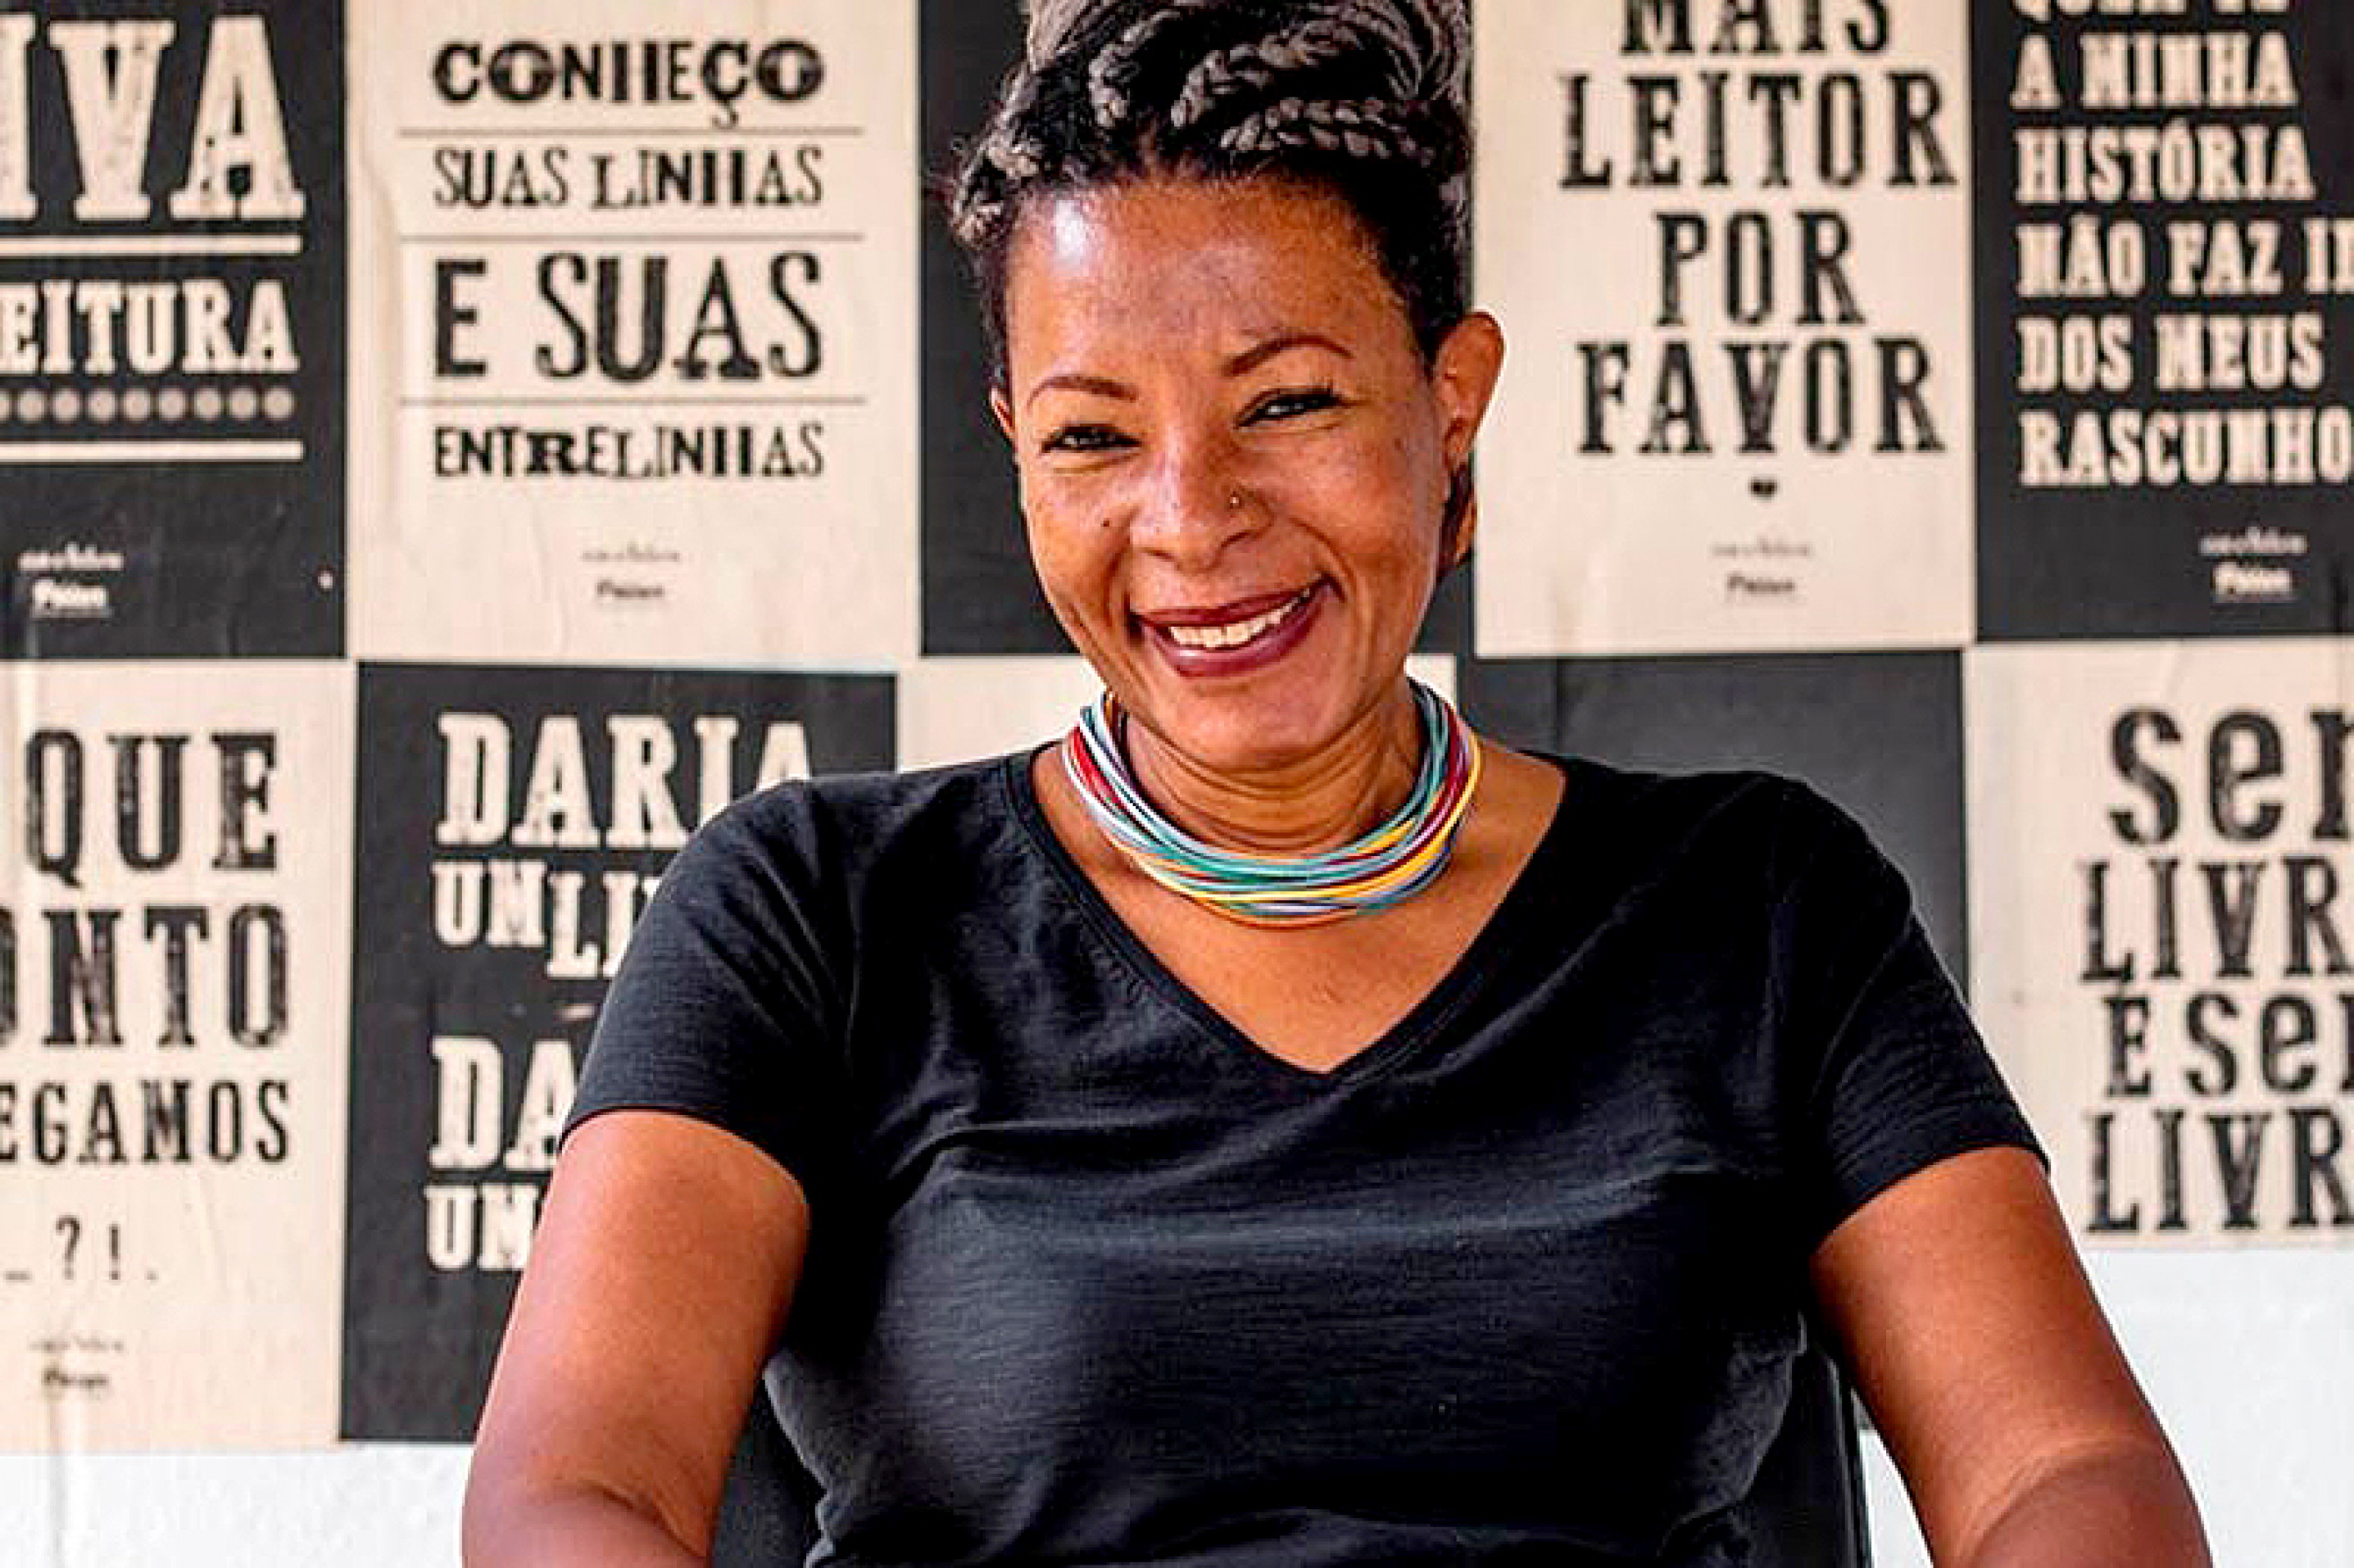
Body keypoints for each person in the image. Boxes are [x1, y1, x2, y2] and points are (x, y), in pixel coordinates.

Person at [463, 2, 2210, 1563]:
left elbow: (2059, 1468)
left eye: (1287, 404)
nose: (1189, 517)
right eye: (1091, 434)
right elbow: (573, 1493)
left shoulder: (1758, 904)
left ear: (1451, 405)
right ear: (1016, 453)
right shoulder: (814, 914)